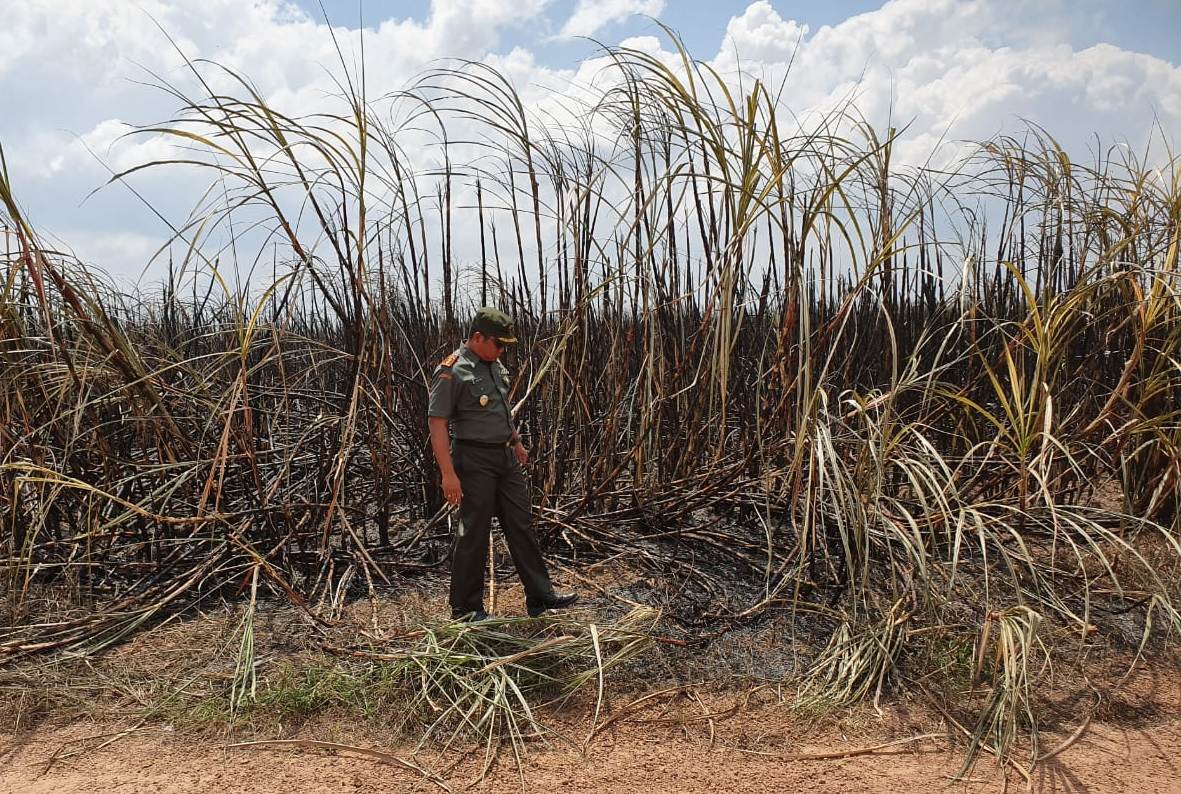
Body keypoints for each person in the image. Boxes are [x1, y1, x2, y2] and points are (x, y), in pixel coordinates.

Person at [427, 307, 579, 621]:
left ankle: (540, 596)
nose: (501, 350)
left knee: (520, 524)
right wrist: (448, 475)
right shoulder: (452, 370)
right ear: (478, 337)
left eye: (505, 346)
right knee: (474, 533)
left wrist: (516, 441)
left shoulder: (492, 365)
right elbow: (437, 423)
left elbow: (500, 409)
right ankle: (466, 610)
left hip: (504, 457)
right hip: (473, 459)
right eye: (498, 344)